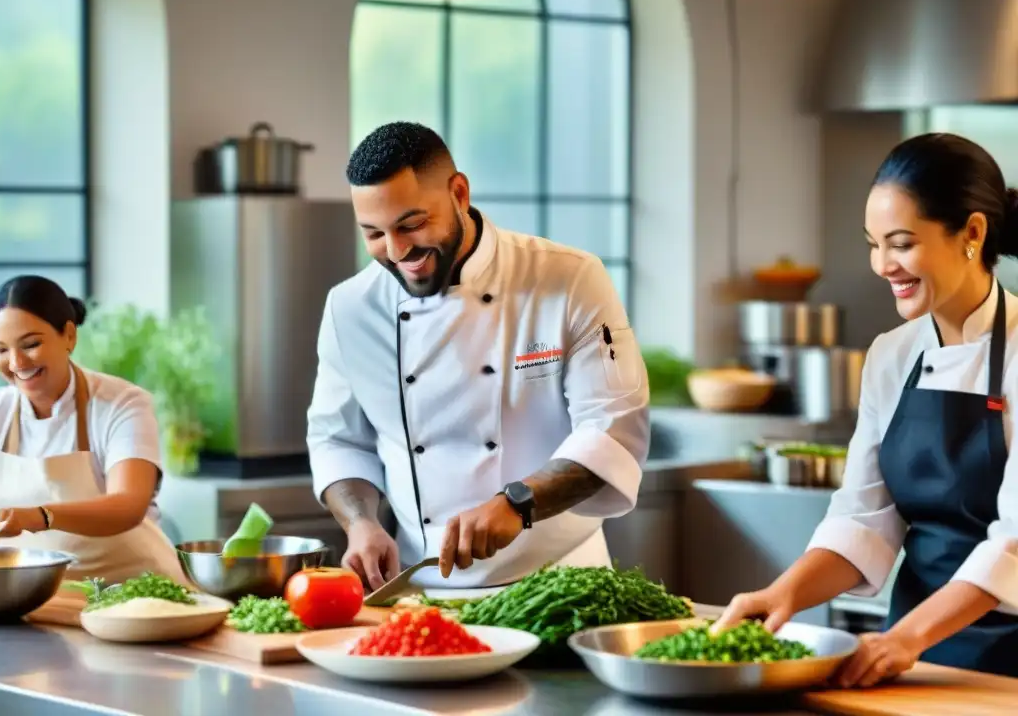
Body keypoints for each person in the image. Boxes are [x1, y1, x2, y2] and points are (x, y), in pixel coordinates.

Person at [713, 133, 1018, 684]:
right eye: (873, 244)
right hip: (912, 657)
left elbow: (1015, 544)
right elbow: (864, 521)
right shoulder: (890, 355)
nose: (882, 265)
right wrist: (782, 595)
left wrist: (908, 637)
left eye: (901, 243)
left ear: (972, 233)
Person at [306, 121, 650, 591]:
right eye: (374, 233)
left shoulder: (568, 279)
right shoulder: (351, 308)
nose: (397, 250)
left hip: (563, 587)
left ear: (459, 194)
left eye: (411, 224)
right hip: (421, 589)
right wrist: (361, 523)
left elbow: (613, 429)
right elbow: (338, 441)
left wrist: (516, 503)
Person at [0, 275, 187, 585]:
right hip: (43, 599)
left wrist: (38, 516)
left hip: (136, 595)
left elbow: (128, 504)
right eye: (0, 350)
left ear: (69, 336)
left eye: (30, 344)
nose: (16, 362)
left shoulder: (122, 404)